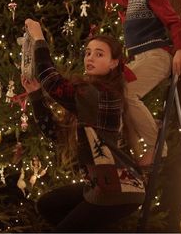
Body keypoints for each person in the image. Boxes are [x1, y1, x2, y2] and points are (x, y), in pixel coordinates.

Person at [21, 18, 145, 233]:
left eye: (99, 54)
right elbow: (54, 134)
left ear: (114, 63)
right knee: (47, 204)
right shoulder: (87, 96)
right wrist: (35, 97)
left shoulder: (101, 96)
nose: (90, 58)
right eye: (88, 53)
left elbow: (51, 81)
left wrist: (39, 37)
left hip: (117, 188)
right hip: (101, 183)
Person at [79, 0, 181, 168]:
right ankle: (131, 145)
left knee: (127, 93)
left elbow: (174, 23)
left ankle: (157, 145)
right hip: (141, 57)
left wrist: (180, 49)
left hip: (156, 55)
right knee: (118, 92)